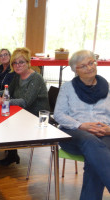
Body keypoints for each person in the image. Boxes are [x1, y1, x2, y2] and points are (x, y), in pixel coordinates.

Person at [54, 50, 110, 200]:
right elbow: (59, 115)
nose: (89, 67)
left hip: (104, 134)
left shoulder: (108, 87)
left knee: (95, 159)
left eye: (91, 62)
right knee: (91, 142)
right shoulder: (68, 88)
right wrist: (81, 125)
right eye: (83, 66)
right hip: (74, 134)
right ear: (75, 70)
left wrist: (109, 129)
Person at [0, 47, 49, 166]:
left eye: (21, 62)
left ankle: (11, 152)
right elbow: (8, 91)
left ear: (28, 63)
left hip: (38, 117)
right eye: (14, 63)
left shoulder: (36, 79)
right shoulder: (17, 75)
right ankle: (11, 152)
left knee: (5, 120)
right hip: (23, 112)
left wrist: (2, 102)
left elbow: (25, 102)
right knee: (1, 117)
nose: (17, 65)